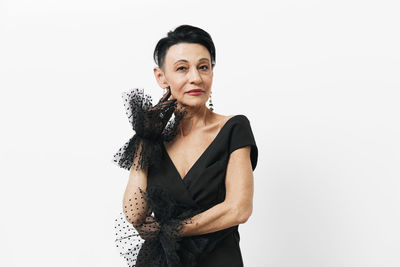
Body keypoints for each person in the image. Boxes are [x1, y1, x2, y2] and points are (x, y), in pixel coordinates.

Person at [112, 24, 258, 267]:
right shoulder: (154, 140)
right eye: (182, 68)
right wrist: (145, 140)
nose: (196, 78)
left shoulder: (234, 128)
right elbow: (135, 214)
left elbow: (239, 209)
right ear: (161, 77)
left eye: (203, 67)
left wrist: (172, 230)